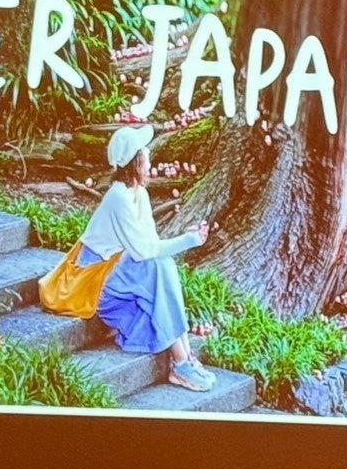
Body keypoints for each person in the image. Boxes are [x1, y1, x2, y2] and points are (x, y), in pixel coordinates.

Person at [40, 122, 215, 391]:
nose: (149, 166)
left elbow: (150, 244)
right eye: (145, 160)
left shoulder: (139, 194)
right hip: (93, 279)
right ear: (134, 164)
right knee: (156, 267)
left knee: (163, 265)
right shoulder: (117, 198)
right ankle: (181, 363)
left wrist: (187, 239)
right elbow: (143, 251)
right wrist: (189, 241)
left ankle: (185, 357)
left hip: (116, 268)